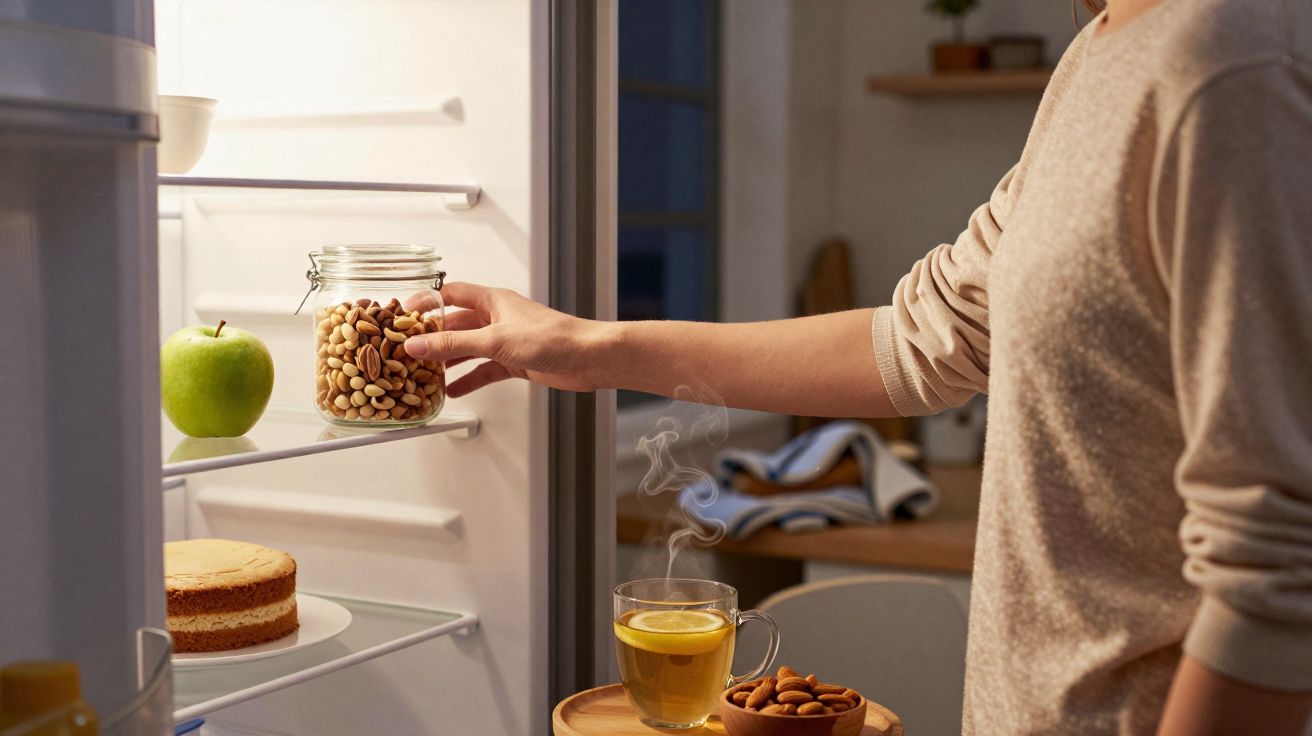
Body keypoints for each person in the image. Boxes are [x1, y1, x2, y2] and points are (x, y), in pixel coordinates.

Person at [403, 0, 1312, 732]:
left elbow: (1277, 571)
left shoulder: (1232, 64)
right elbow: (931, 335)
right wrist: (585, 346)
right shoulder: (1099, 54)